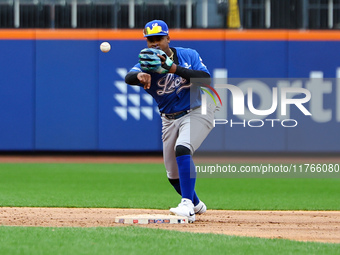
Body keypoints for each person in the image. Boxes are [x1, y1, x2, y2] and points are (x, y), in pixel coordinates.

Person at [125, 20, 216, 223]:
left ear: (168, 38)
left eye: (159, 38)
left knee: (182, 148)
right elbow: (128, 77)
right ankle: (197, 204)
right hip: (169, 119)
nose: (155, 43)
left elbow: (205, 79)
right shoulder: (146, 63)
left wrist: (174, 68)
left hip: (197, 110)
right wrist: (139, 75)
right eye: (151, 40)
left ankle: (187, 205)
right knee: (172, 175)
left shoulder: (187, 55)